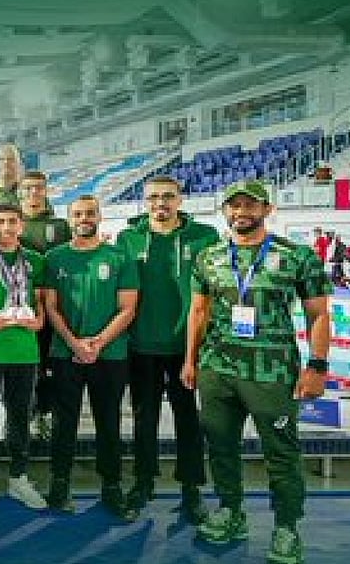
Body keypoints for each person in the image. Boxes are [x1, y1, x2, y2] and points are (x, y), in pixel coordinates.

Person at [183, 179, 333, 564]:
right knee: (220, 447)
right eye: (234, 205)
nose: (241, 212)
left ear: (267, 209)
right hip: (217, 369)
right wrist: (190, 360)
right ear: (224, 211)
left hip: (272, 373)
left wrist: (317, 366)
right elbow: (198, 311)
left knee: (281, 452)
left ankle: (287, 527)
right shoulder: (209, 257)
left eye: (250, 205)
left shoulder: (297, 256)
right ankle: (231, 511)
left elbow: (318, 315)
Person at [115, 175, 216, 520]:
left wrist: (200, 348)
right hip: (142, 345)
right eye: (154, 197)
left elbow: (214, 294)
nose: (161, 203)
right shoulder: (128, 239)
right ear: (145, 202)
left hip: (186, 347)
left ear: (180, 199)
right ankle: (143, 482)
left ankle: (191, 489)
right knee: (144, 420)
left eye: (168, 196)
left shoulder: (204, 237)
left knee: (188, 419)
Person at [42, 195, 139, 522]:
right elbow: (51, 307)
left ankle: (112, 486)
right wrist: (74, 343)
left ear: (99, 217)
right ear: (70, 219)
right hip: (64, 353)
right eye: (78, 214)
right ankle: (59, 484)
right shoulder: (55, 258)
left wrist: (97, 343)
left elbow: (128, 308)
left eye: (90, 213)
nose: (84, 219)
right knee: (63, 423)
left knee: (108, 422)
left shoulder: (119, 257)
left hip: (110, 354)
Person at [0, 203, 48, 511]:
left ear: (21, 225)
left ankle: (18, 477)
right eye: (0, 221)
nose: (6, 227)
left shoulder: (35, 260)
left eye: (12, 221)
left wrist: (40, 321)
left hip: (24, 349)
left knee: (20, 414)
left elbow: (41, 301)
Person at [17, 170, 72, 441]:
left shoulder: (60, 226)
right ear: (19, 193)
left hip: (53, 306)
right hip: (20, 308)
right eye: (28, 188)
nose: (33, 193)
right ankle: (22, 416)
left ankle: (46, 415)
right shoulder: (11, 223)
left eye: (38, 187)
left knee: (50, 364)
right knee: (25, 365)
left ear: (46, 191)